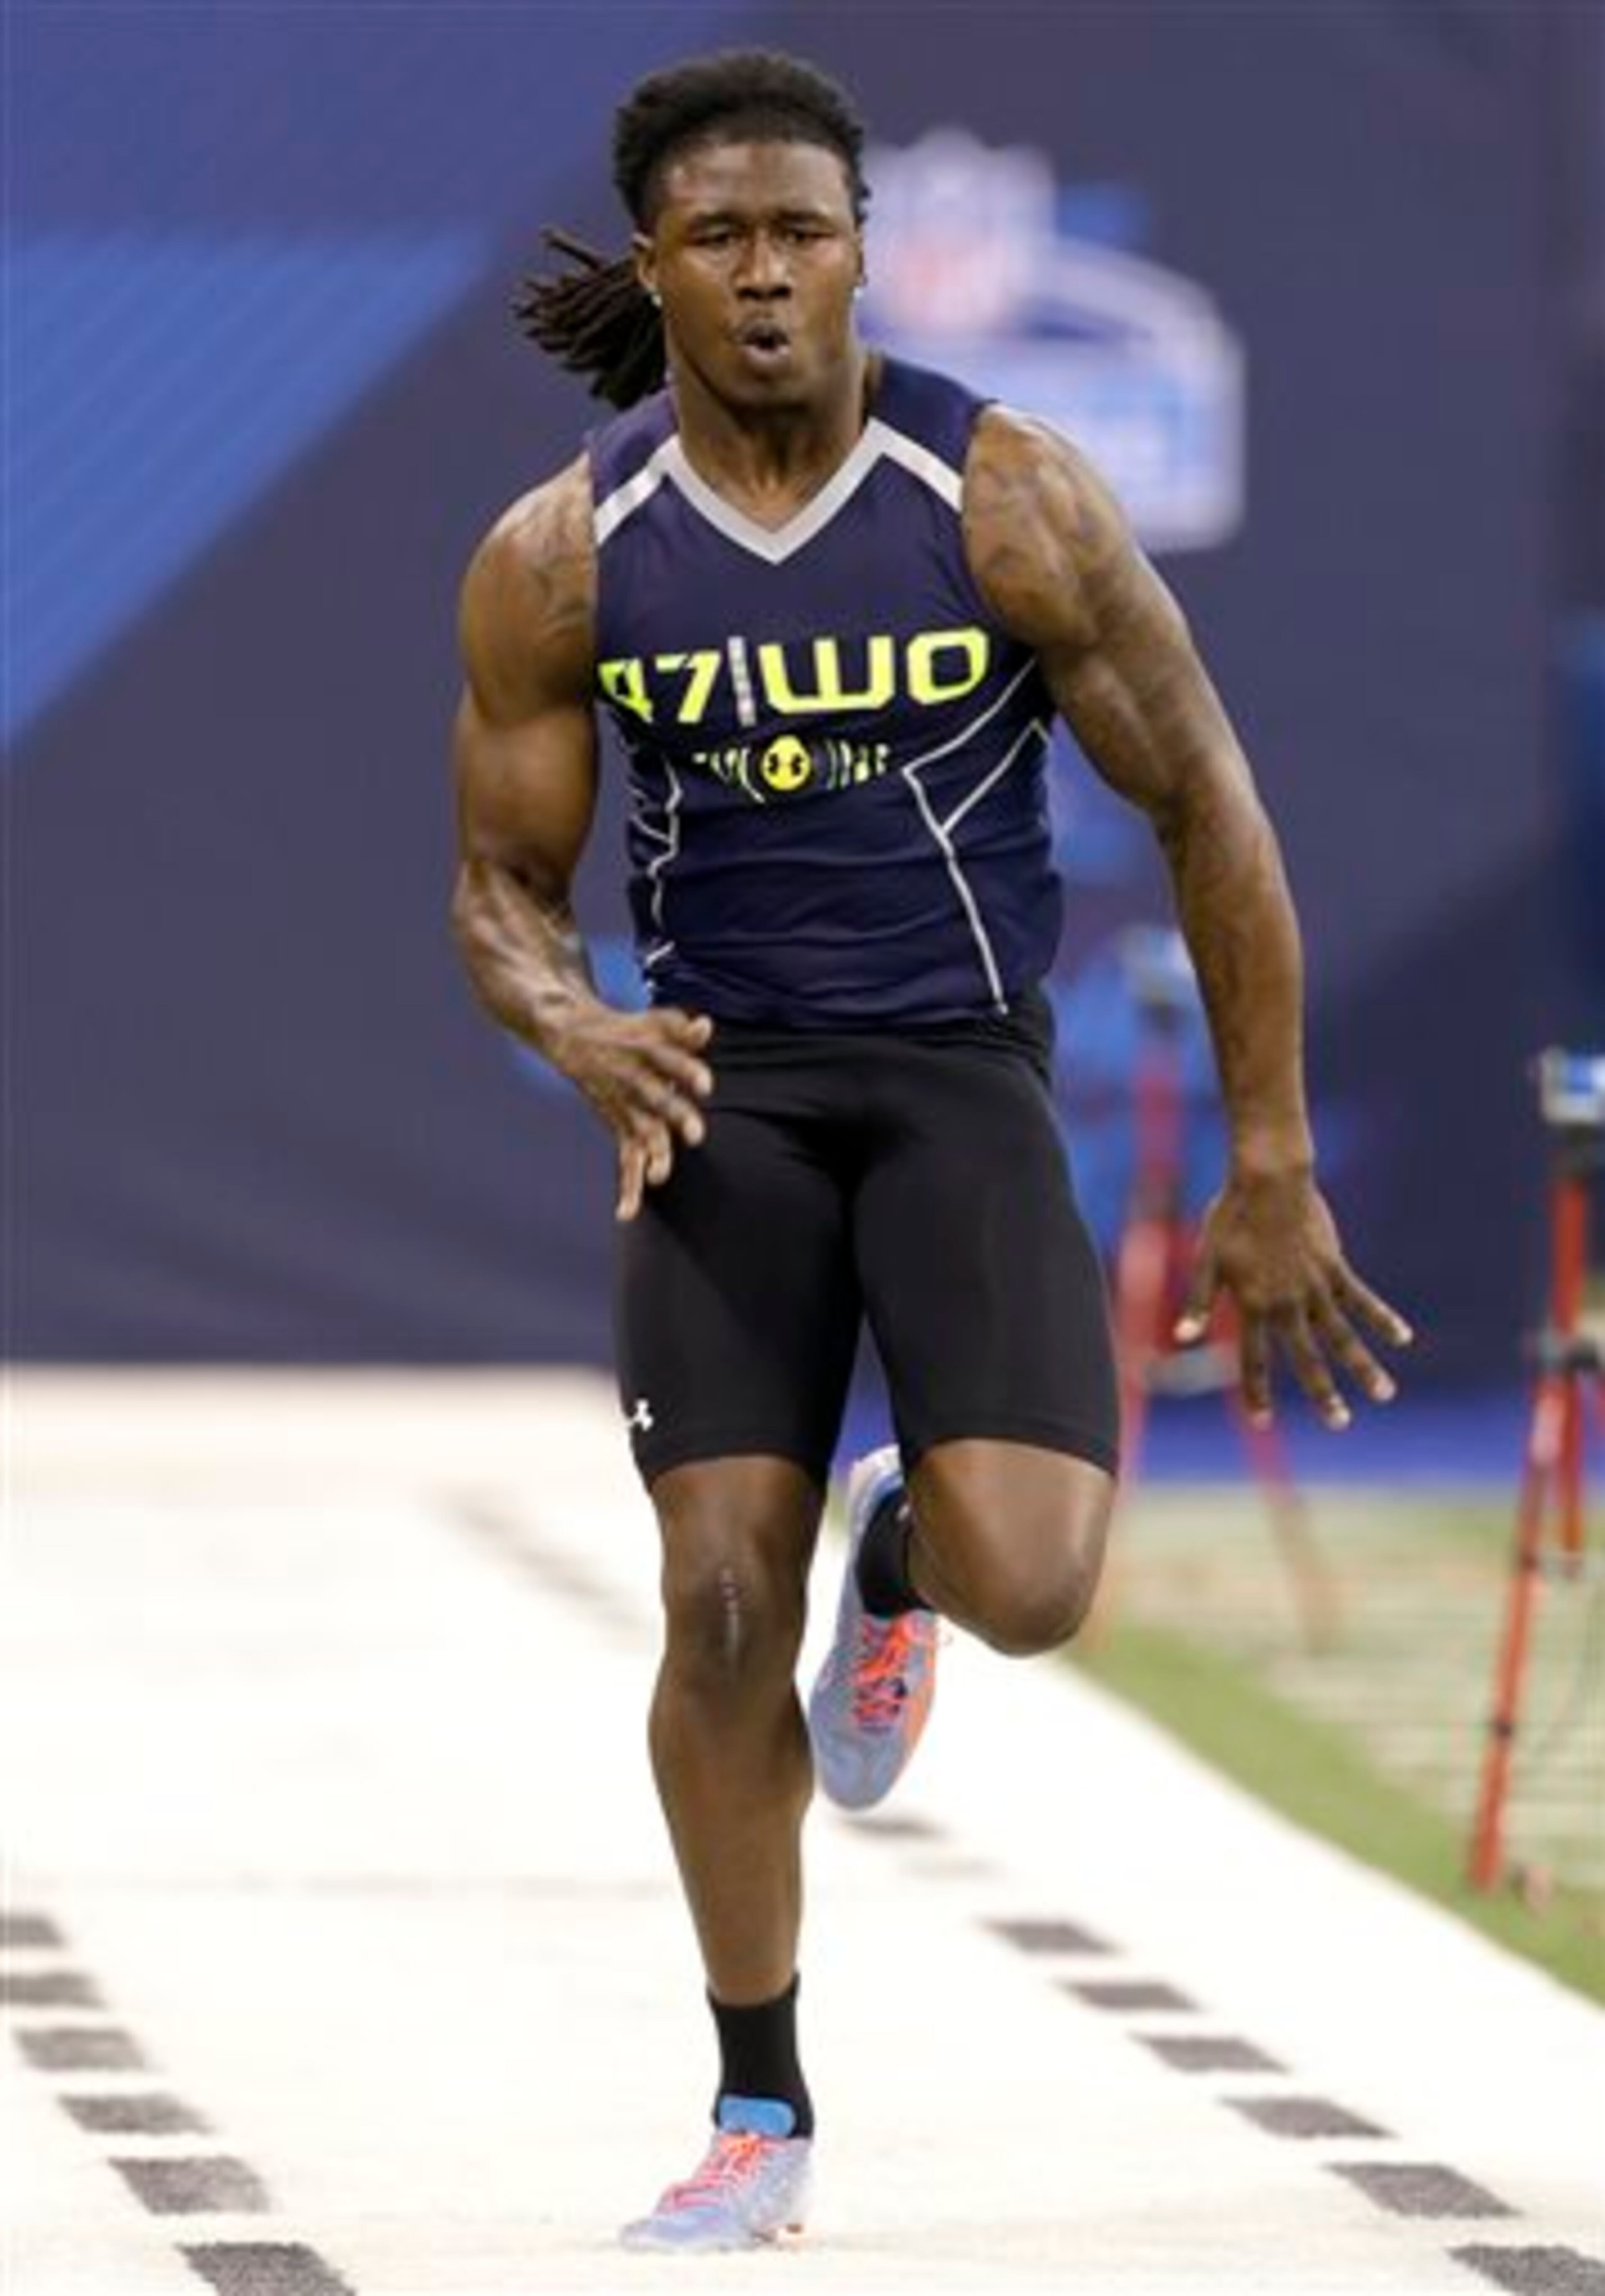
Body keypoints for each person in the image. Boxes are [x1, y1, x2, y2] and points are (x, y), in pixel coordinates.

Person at [451, 49, 1412, 2253]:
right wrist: (571, 1019)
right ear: (657, 267)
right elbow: (498, 884)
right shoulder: (562, 556)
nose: (766, 275)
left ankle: (899, 1560)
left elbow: (1209, 803)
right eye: (721, 238)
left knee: (1039, 1585)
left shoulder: (1005, 501)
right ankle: (758, 2103)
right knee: (714, 1599)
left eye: (804, 232)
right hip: (722, 1098)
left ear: (863, 249)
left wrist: (1271, 1154)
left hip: (957, 1077)